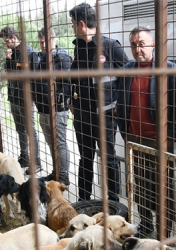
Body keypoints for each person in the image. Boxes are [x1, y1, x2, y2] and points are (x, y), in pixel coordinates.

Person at [115, 26, 176, 237]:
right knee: (141, 188)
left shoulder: (168, 69)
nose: (138, 49)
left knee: (164, 190)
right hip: (135, 140)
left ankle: (165, 231)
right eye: (134, 45)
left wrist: (169, 135)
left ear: (153, 45)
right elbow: (121, 101)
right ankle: (146, 226)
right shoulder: (127, 70)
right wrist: (125, 132)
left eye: (142, 44)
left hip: (159, 141)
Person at [68, 2, 128, 202]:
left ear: (81, 24)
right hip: (83, 117)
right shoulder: (79, 49)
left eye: (72, 23)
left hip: (105, 117)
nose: (72, 27)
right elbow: (74, 78)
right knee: (85, 159)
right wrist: (71, 101)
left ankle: (113, 202)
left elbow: (128, 78)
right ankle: (83, 201)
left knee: (109, 160)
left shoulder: (111, 48)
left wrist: (119, 107)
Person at [0, 25, 42, 174]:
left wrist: (32, 97)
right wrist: (8, 60)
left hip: (25, 98)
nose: (6, 44)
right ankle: (24, 156)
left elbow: (35, 78)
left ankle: (36, 162)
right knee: (20, 130)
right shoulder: (12, 53)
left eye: (6, 41)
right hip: (14, 97)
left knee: (30, 130)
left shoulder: (29, 53)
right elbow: (11, 74)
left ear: (14, 38)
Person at [34, 27, 72, 186]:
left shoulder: (62, 59)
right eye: (41, 42)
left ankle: (63, 176)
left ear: (54, 40)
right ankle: (56, 171)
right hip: (43, 109)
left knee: (60, 143)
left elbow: (65, 83)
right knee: (51, 143)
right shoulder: (41, 58)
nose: (43, 45)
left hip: (58, 109)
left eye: (46, 42)